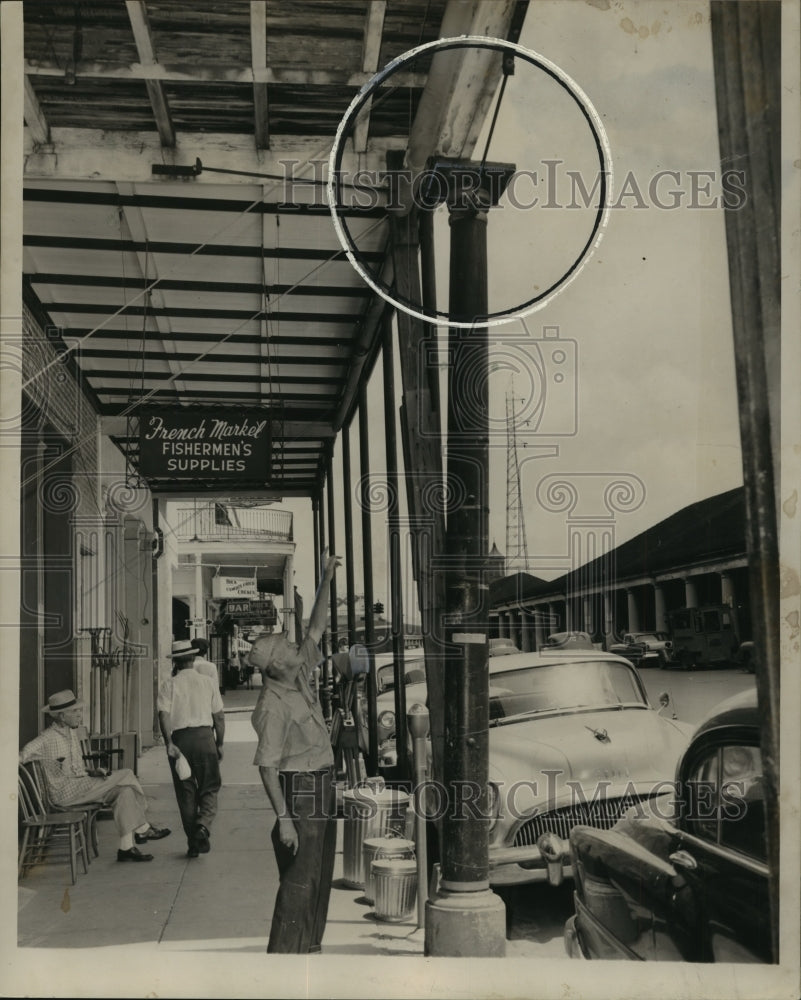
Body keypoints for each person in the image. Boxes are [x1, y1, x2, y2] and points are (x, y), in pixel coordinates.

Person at [248, 551, 341, 954]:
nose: (293, 644)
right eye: (285, 645)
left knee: (319, 873)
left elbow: (317, 628)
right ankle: (284, 956)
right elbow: (267, 767)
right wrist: (283, 819)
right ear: (274, 665)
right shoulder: (272, 706)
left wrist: (326, 577)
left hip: (321, 782)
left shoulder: (297, 674)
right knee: (299, 879)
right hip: (300, 790)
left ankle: (309, 945)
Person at [19, 690, 171, 863]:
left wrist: (93, 772)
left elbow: (77, 768)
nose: (79, 715)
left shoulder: (71, 733)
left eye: (79, 711)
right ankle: (143, 827)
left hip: (80, 787)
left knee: (124, 792)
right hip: (64, 794)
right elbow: (24, 753)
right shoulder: (46, 738)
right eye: (74, 712)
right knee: (127, 773)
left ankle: (126, 848)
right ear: (61, 716)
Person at [157, 639, 225, 858]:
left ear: (175, 662)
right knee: (210, 786)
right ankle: (203, 825)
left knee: (185, 792)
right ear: (193, 658)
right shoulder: (208, 682)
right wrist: (220, 742)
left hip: (180, 741)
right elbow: (219, 717)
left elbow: (164, 715)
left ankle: (193, 844)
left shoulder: (169, 685)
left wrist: (169, 742)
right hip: (205, 738)